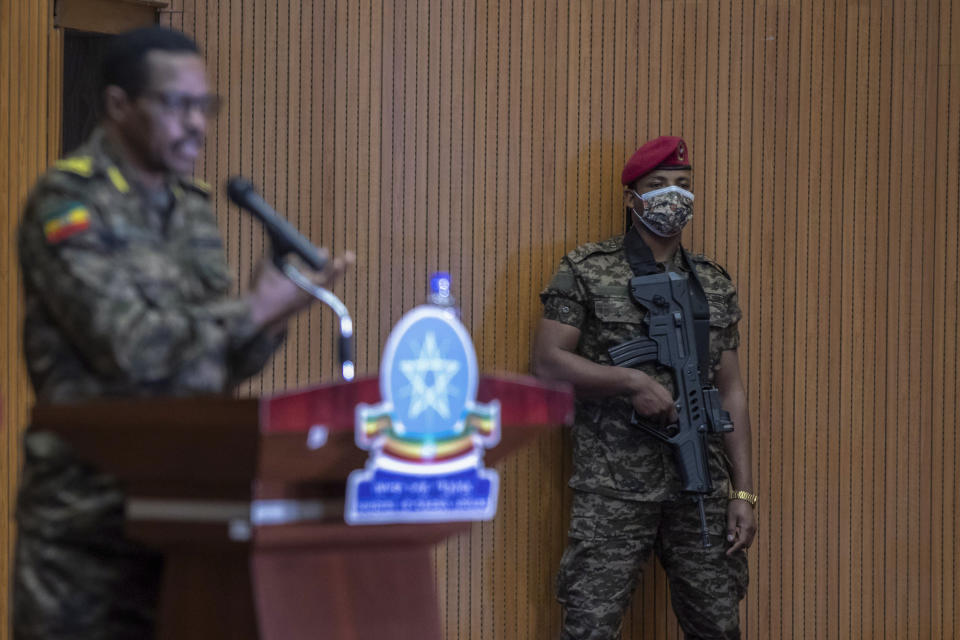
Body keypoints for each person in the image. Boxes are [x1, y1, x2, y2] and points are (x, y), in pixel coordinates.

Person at [13, 27, 353, 639]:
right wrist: (250, 310)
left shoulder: (193, 210)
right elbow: (130, 349)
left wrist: (276, 312)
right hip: (87, 526)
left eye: (205, 105)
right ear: (120, 106)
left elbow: (211, 363)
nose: (197, 123)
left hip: (188, 511)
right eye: (177, 105)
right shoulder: (68, 202)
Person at [532, 136, 758, 639]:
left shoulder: (714, 283)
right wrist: (629, 380)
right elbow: (547, 363)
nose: (673, 195)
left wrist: (743, 492)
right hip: (614, 486)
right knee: (590, 628)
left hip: (699, 487)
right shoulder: (586, 269)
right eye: (658, 185)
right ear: (632, 198)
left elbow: (733, 391)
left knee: (718, 627)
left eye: (683, 186)